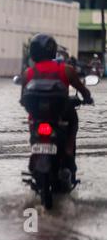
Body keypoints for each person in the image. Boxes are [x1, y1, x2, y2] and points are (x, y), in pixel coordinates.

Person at [21, 34, 93, 181]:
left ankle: (34, 151)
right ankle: (68, 148)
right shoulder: (66, 70)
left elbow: (23, 99)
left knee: (32, 123)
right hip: (61, 116)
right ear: (53, 50)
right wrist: (87, 98)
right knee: (73, 120)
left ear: (33, 52)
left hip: (37, 118)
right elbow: (83, 89)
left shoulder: (28, 73)